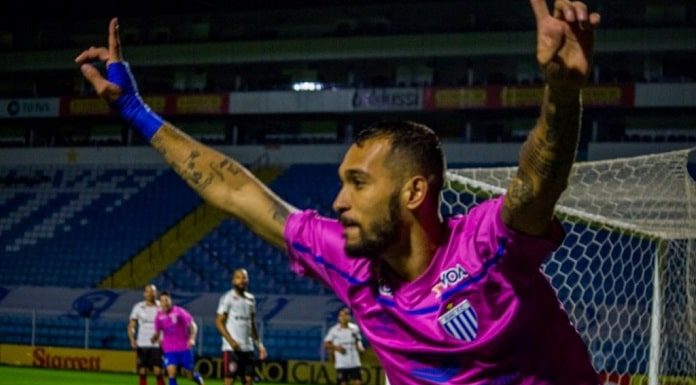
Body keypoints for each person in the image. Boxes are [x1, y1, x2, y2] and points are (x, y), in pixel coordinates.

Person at [77, 1, 601, 383]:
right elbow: (232, 187)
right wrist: (134, 112)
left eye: (358, 182)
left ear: (414, 192)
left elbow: (537, 182)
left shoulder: (484, 245)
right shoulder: (351, 262)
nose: (337, 202)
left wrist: (561, 90)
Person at [215, 268, 267, 385]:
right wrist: (231, 341)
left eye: (244, 277)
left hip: (248, 348)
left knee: (248, 380)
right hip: (231, 349)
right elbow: (218, 322)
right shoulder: (227, 297)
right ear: (233, 281)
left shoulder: (251, 299)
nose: (242, 280)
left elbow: (252, 324)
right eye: (239, 277)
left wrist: (260, 345)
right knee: (229, 381)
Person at [150, 291, 204, 385]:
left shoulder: (179, 311)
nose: (164, 303)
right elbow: (157, 332)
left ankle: (198, 379)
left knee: (189, 374)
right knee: (171, 373)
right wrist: (154, 337)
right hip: (169, 349)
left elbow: (193, 326)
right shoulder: (159, 316)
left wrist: (192, 338)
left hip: (184, 347)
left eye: (166, 300)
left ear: (170, 301)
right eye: (162, 301)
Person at [128, 284, 165, 385]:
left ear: (156, 293)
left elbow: (167, 323)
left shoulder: (161, 307)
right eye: (148, 291)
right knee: (142, 371)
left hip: (157, 343)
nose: (150, 293)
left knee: (158, 370)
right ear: (144, 294)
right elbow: (131, 325)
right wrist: (132, 339)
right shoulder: (138, 307)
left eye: (152, 291)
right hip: (142, 342)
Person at [324, 308, 365, 385]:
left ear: (349, 317)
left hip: (354, 362)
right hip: (342, 363)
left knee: (358, 382)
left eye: (345, 315)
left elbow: (358, 340)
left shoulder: (354, 328)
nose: (343, 317)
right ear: (339, 318)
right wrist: (337, 348)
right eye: (341, 315)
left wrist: (360, 347)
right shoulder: (334, 330)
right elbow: (326, 344)